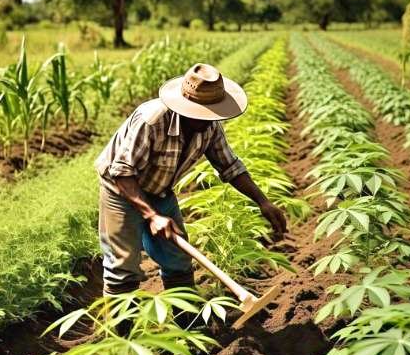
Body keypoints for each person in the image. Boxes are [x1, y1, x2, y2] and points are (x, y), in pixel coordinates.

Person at [95, 62, 287, 297]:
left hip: (160, 188)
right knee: (122, 267)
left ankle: (185, 322)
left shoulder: (210, 126)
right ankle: (121, 328)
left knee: (178, 259)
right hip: (121, 188)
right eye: (202, 114)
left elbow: (230, 166)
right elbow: (122, 171)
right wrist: (152, 216)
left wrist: (263, 202)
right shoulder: (152, 120)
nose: (208, 119)